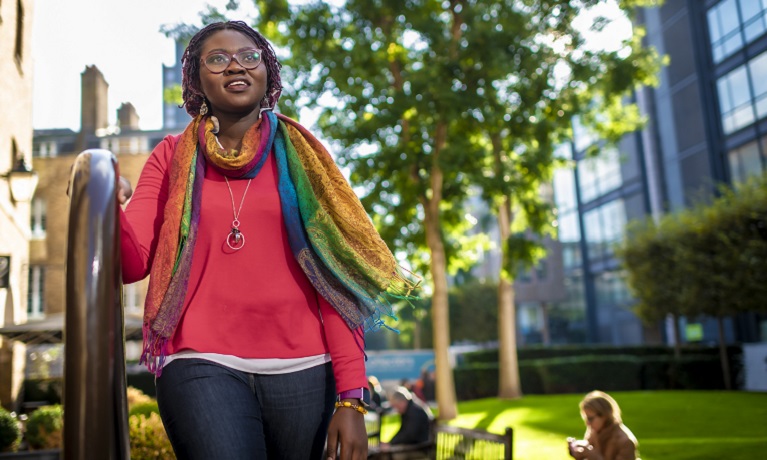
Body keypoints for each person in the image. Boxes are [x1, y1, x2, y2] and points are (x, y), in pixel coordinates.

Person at [117, 20, 418, 460]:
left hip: (307, 371)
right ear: (197, 80)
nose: (234, 66)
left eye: (248, 56)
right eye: (216, 59)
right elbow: (132, 264)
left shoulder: (303, 158)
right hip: (200, 362)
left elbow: (334, 280)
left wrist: (351, 397)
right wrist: (107, 206)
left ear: (267, 71)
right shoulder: (168, 156)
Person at [567, 391, 639, 460]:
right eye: (586, 419)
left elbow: (593, 456)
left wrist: (594, 457)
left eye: (590, 419)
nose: (587, 423)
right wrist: (576, 452)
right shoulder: (593, 432)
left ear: (604, 415)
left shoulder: (625, 442)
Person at [379, 386, 434, 457]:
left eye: (396, 406)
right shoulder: (409, 409)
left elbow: (409, 435)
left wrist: (390, 444)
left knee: (394, 455)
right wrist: (390, 443)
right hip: (414, 445)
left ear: (402, 402)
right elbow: (402, 430)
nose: (396, 410)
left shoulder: (415, 412)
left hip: (420, 448)